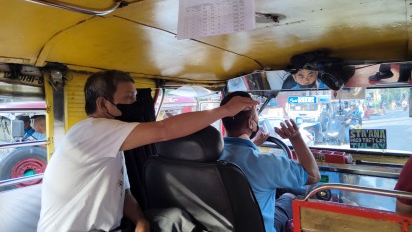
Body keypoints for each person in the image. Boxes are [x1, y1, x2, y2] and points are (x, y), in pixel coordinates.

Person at [37, 70, 258, 232]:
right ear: (103, 104)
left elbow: (121, 192)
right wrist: (226, 110)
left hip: (111, 227)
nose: (136, 103)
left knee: (173, 219)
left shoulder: (109, 143)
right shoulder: (92, 131)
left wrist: (140, 220)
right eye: (129, 98)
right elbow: (164, 129)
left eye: (136, 96)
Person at [219, 91, 320, 232]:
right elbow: (313, 175)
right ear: (251, 123)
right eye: (256, 115)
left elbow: (238, 152)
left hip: (225, 226)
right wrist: (295, 137)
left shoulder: (211, 155)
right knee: (289, 196)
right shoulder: (266, 163)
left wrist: (253, 143)